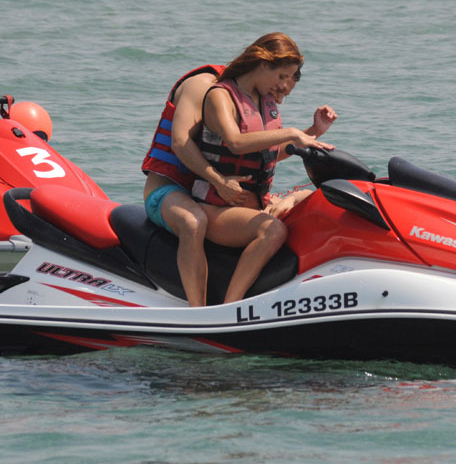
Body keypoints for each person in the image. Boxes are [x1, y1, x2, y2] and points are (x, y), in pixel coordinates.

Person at [142, 35, 335, 307]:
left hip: (214, 191)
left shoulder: (252, 96)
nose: (279, 92)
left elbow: (260, 154)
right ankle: (202, 312)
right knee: (192, 222)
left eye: (286, 86)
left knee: (303, 203)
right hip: (171, 188)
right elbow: (181, 143)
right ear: (263, 63)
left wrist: (311, 132)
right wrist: (217, 180)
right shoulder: (205, 87)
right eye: (280, 79)